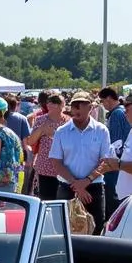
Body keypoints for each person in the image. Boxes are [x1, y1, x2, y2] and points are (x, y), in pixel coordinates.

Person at [47, 91, 114, 234]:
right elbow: (56, 162)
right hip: (67, 187)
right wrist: (76, 184)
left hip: (94, 187)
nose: (76, 108)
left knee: (95, 230)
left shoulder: (101, 131)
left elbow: (105, 162)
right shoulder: (62, 131)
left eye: (80, 105)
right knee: (64, 231)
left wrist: (87, 181)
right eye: (74, 105)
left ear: (90, 107)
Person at [97, 86, 129, 215]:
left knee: (112, 193)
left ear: (109, 99)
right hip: (121, 160)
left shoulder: (116, 114)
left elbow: (115, 141)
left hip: (116, 160)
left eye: (103, 101)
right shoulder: (121, 112)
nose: (103, 105)